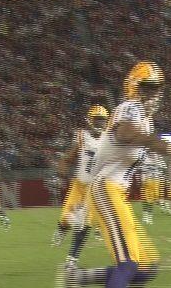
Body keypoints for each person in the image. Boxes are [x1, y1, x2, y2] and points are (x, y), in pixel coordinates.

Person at [57, 61, 171, 288]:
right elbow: (125, 133)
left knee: (146, 269)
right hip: (106, 188)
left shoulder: (145, 120)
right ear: (134, 87)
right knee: (127, 264)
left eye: (157, 88)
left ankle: (77, 278)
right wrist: (167, 148)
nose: (154, 93)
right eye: (148, 87)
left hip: (115, 191)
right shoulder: (130, 107)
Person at [52, 105, 110, 267]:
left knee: (84, 223)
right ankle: (62, 229)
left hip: (95, 188)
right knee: (66, 219)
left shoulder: (110, 139)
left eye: (102, 120)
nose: (100, 123)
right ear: (89, 120)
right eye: (97, 120)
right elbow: (68, 158)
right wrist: (61, 172)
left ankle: (72, 259)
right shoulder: (81, 137)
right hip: (79, 185)